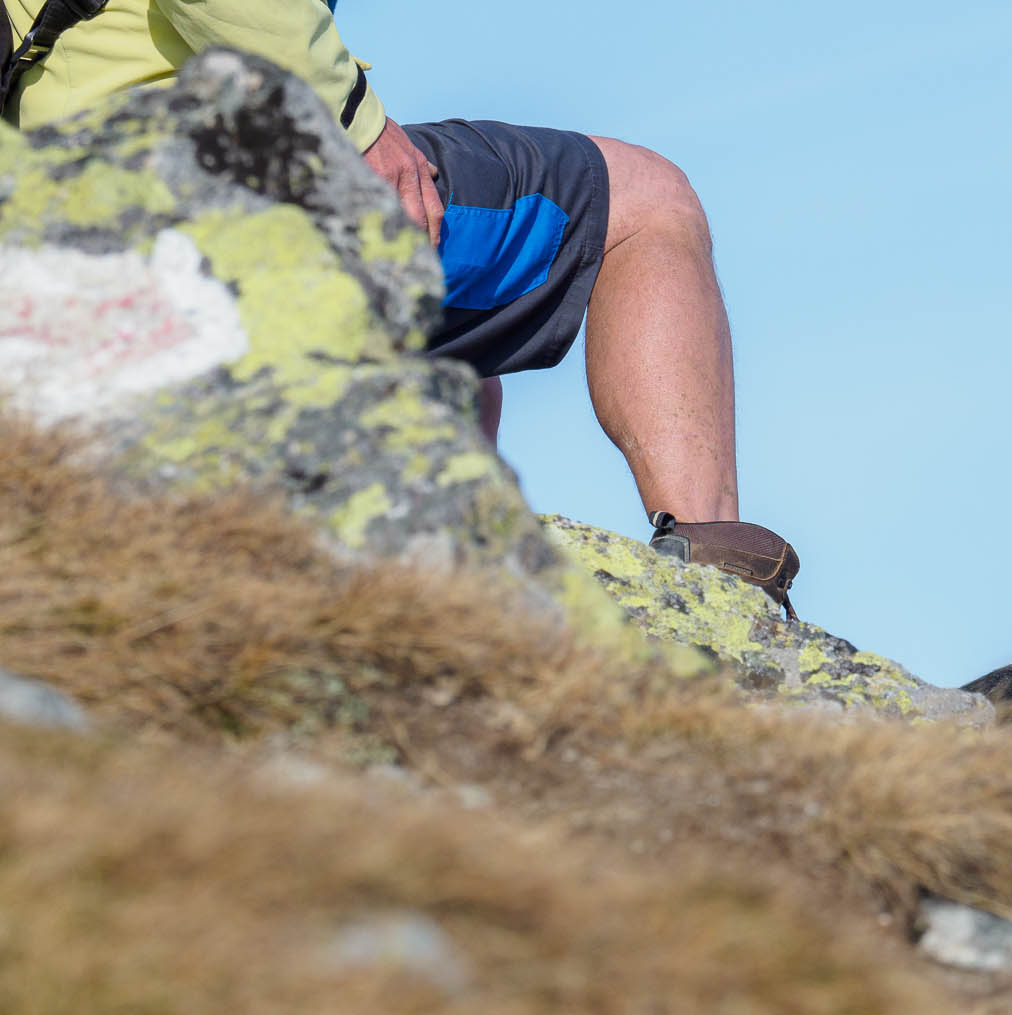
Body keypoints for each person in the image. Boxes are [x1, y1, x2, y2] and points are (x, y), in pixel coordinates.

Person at [2, 0, 798, 607]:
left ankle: (449, 583)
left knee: (450, 356)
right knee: (644, 199)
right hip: (192, 190)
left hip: (45, 224)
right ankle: (713, 559)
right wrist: (354, 127)